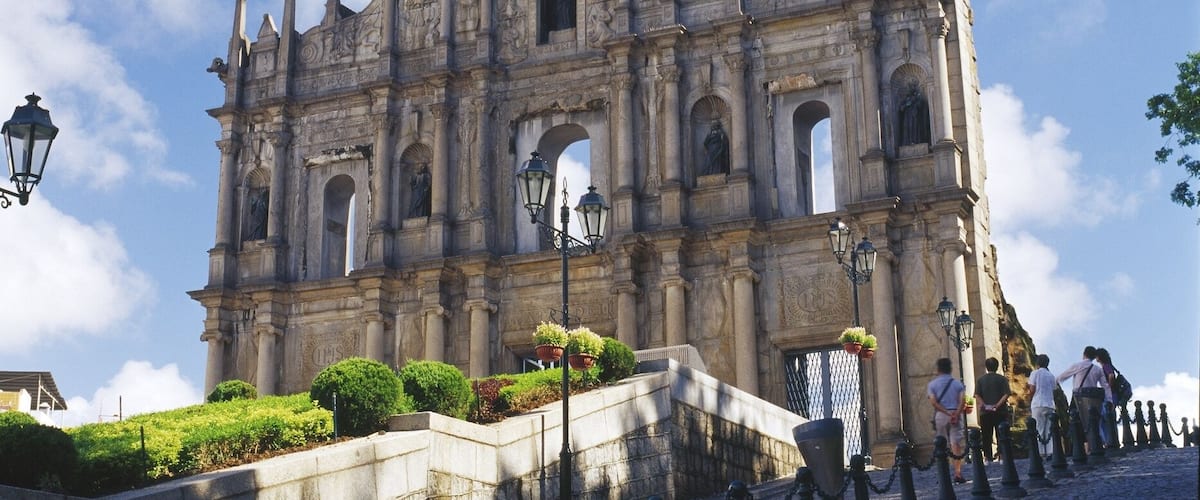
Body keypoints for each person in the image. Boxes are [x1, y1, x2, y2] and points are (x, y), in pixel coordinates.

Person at [1055, 345, 1108, 449]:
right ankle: (1099, 445)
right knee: (1094, 423)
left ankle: (1084, 449)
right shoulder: (1097, 369)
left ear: (1084, 354)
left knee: (1078, 424)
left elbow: (1062, 377)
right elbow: (1105, 386)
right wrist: (1109, 400)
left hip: (1078, 398)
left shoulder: (1077, 365)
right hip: (1094, 399)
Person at [927, 357, 967, 483]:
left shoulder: (932, 384)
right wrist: (956, 413)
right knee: (955, 444)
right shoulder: (957, 384)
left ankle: (943, 474)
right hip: (955, 414)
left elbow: (933, 402)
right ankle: (958, 473)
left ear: (938, 369)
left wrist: (946, 412)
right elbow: (963, 401)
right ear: (950, 369)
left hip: (941, 415)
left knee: (941, 445)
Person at [975, 357, 1010, 462]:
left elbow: (977, 395)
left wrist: (985, 405)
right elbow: (1006, 394)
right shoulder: (1002, 379)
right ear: (997, 366)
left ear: (986, 367)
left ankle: (987, 457)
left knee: (986, 435)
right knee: (1001, 435)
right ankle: (1002, 456)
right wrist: (997, 405)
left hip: (985, 413)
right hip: (1000, 412)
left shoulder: (980, 380)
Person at [1025, 354, 1056, 458]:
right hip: (1050, 404)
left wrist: (1028, 396)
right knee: (1048, 429)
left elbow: (1032, 388)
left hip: (1038, 403)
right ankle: (1050, 452)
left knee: (1039, 428)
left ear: (1037, 364)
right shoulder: (1051, 375)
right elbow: (1053, 389)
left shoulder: (1035, 373)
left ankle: (1041, 452)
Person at [1095, 348, 1117, 446]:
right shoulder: (1107, 365)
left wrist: (1108, 387)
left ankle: (1109, 441)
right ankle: (1110, 441)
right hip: (1112, 395)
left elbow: (1111, 376)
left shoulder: (1106, 366)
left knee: (1106, 417)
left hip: (1110, 395)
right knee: (1108, 417)